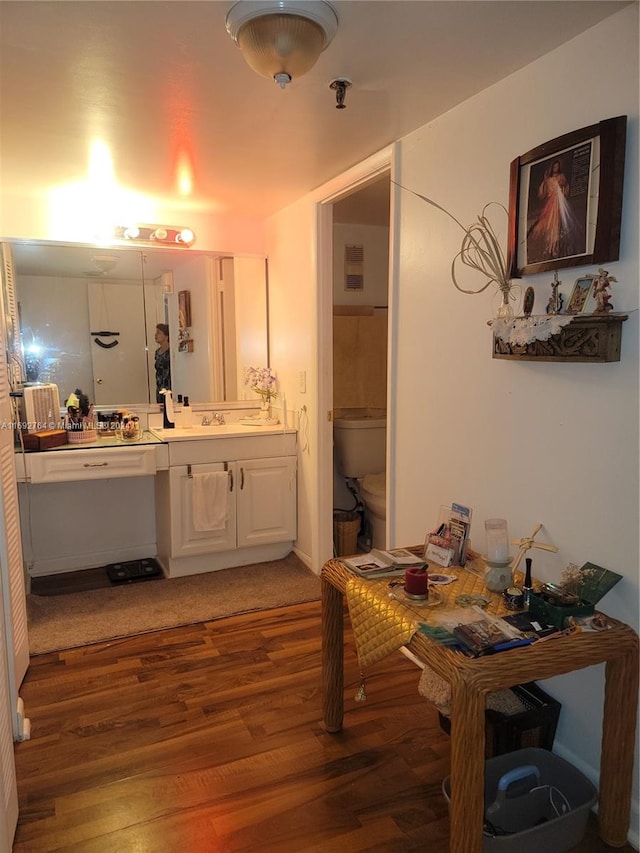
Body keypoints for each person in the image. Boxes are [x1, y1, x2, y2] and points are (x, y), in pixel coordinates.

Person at [528, 159, 578, 261]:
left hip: (559, 202)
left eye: (557, 167)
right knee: (548, 223)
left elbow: (565, 188)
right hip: (551, 203)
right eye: (554, 167)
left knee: (557, 224)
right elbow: (542, 193)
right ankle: (549, 248)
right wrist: (545, 180)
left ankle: (555, 247)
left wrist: (562, 185)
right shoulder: (548, 179)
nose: (556, 168)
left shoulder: (561, 176)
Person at [154, 323, 171, 402]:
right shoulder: (157, 352)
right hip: (159, 388)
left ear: (166, 336)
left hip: (169, 388)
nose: (156, 335)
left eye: (159, 333)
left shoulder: (170, 351)